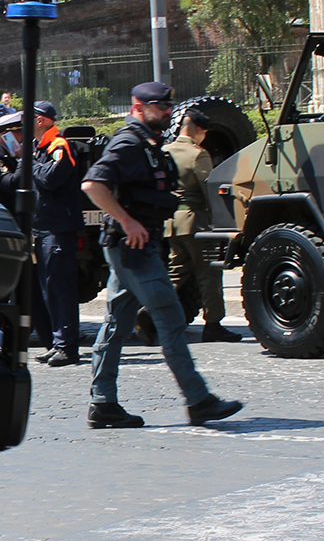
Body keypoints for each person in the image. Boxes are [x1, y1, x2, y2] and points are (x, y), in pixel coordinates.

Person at [81, 81, 243, 428]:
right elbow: (93, 185)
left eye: (169, 106)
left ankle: (102, 402)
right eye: (159, 106)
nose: (167, 111)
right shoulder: (127, 142)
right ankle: (199, 400)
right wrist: (127, 221)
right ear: (137, 107)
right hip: (133, 248)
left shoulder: (150, 144)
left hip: (137, 246)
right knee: (169, 318)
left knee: (116, 323)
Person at [163, 108, 242, 342]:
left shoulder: (164, 151)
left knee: (175, 272)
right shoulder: (198, 154)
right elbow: (210, 190)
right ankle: (213, 325)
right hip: (195, 222)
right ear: (197, 129)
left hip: (171, 221)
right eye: (204, 133)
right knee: (208, 273)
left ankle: (149, 310)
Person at [0, 111, 53, 350]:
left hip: (16, 233)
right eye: (20, 135)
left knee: (28, 289)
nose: (24, 140)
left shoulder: (9, 156)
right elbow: (11, 184)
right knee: (0, 291)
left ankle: (51, 339)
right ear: (7, 136)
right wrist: (23, 160)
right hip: (2, 234)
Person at [29, 101, 83, 366]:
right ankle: (57, 341)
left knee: (61, 289)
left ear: (40, 120)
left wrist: (30, 164)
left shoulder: (58, 146)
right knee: (49, 288)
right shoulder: (39, 148)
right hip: (44, 227)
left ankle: (68, 347)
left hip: (58, 228)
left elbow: (51, 178)